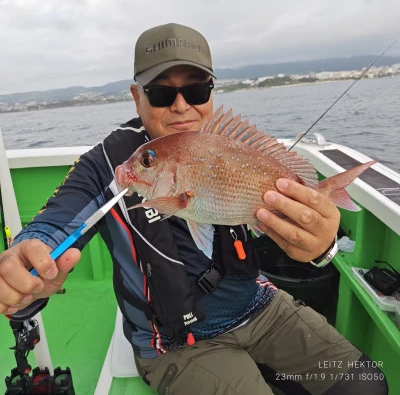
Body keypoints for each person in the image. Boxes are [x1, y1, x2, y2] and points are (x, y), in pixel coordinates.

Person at [0, 23, 388, 395]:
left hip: (261, 305)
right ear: (138, 97)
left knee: (366, 384)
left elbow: (303, 236)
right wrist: (26, 261)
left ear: (211, 93)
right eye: (161, 93)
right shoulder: (111, 163)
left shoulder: (232, 147)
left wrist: (323, 247)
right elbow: (55, 222)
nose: (182, 106)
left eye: (198, 89)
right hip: (177, 344)